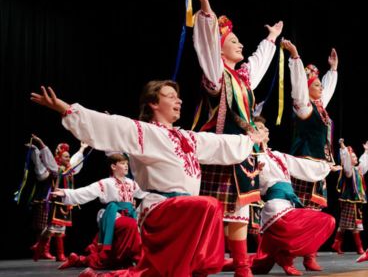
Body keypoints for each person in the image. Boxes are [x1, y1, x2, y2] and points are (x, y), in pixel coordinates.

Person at [30, 80, 266, 277]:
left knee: (159, 272)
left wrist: (250, 140)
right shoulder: (143, 132)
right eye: (171, 96)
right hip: (162, 209)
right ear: (153, 103)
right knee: (209, 204)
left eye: (178, 97)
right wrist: (65, 108)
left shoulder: (188, 138)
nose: (179, 100)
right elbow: (109, 125)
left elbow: (221, 144)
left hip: (186, 212)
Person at [191, 0, 283, 277]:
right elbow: (205, 46)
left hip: (243, 151)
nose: (240, 44)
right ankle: (203, 263)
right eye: (234, 41)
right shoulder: (216, 75)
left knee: (240, 210)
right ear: (220, 49)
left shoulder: (242, 78)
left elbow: (257, 62)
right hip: (220, 150)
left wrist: (271, 39)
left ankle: (242, 267)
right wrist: (206, 9)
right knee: (215, 212)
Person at [249, 116, 337, 276]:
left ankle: (281, 255)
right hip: (275, 209)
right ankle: (285, 257)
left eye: (265, 127)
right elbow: (258, 179)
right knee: (310, 226)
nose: (266, 129)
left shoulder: (277, 155)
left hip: (287, 206)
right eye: (261, 128)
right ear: (252, 132)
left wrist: (326, 166)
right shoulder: (253, 156)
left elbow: (301, 165)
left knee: (260, 265)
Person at [281, 39, 338, 271]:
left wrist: (333, 70)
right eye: (316, 86)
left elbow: (327, 89)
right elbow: (299, 88)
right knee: (300, 212)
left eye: (321, 87)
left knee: (315, 212)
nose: (321, 89)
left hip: (320, 168)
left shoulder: (321, 109)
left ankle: (310, 255)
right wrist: (295, 57)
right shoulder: (303, 107)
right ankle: (287, 258)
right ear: (307, 88)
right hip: (304, 166)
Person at [55, 153, 148, 270]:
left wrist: (166, 193)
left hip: (128, 214)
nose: (126, 166)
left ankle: (81, 260)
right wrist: (66, 193)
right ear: (113, 166)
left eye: (127, 164)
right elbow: (87, 191)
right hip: (112, 215)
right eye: (123, 163)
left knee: (133, 227)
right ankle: (138, 259)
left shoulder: (131, 183)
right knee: (130, 224)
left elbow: (144, 193)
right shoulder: (106, 183)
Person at [29, 134, 88, 262]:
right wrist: (41, 144)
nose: (68, 158)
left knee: (62, 230)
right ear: (59, 158)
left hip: (65, 202)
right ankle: (39, 249)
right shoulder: (56, 169)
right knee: (50, 230)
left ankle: (60, 255)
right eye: (65, 156)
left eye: (68, 156)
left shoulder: (70, 170)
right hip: (55, 202)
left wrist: (82, 149)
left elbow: (76, 161)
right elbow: (48, 158)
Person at [331, 138, 368, 255]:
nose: (356, 158)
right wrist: (343, 147)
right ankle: (358, 247)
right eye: (353, 157)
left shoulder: (358, 170)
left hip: (356, 200)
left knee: (349, 224)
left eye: (355, 157)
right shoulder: (348, 171)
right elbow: (346, 161)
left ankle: (337, 244)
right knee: (351, 224)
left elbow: (365, 163)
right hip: (349, 199)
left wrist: (366, 151)